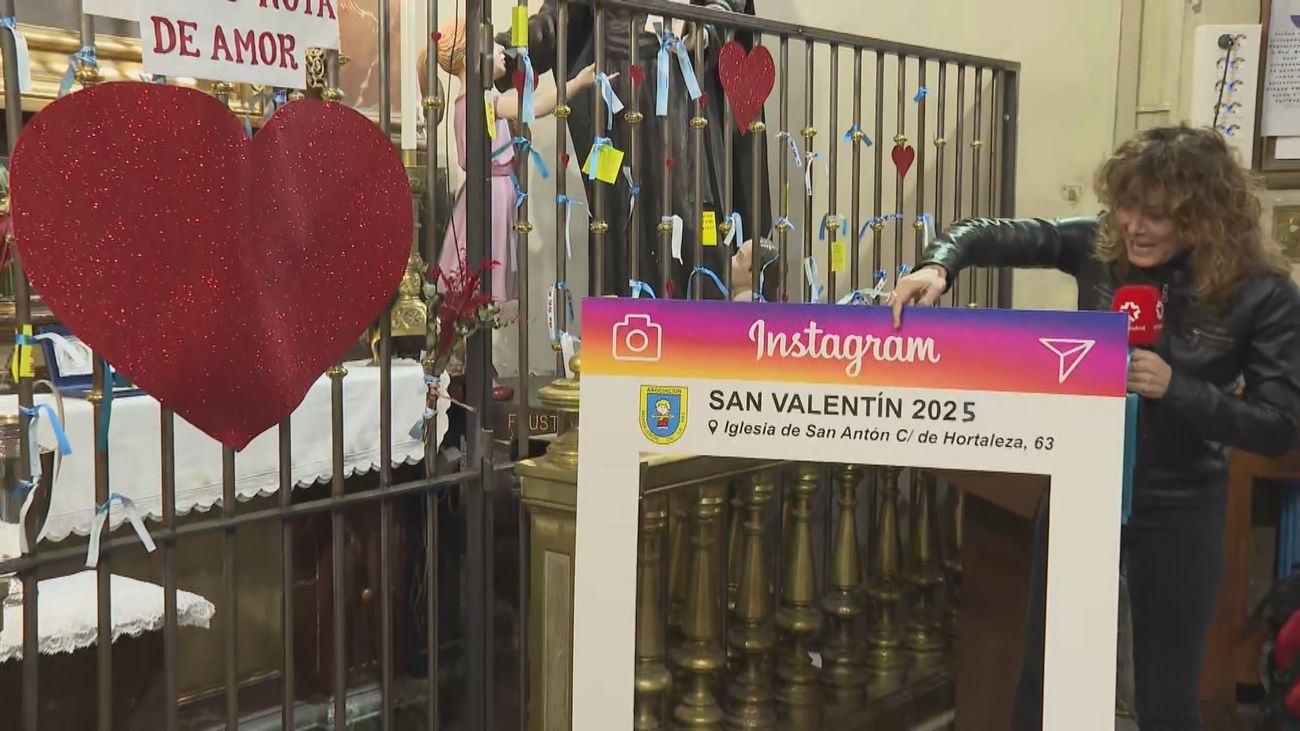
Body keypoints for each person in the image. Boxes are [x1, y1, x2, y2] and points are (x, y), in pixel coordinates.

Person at [892, 124, 1300, 730]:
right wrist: (939, 265)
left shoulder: (1261, 293)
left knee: (1164, 699)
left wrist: (1179, 389)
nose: (1133, 225)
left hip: (1181, 508)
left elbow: (1279, 427)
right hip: (1082, 490)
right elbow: (985, 233)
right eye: (1126, 204)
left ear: (1205, 216)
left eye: (1156, 214)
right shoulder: (1099, 245)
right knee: (1044, 683)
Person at [498, 0, 772, 299]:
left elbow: (726, 5)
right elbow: (554, 18)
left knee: (689, 214)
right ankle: (627, 331)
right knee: (622, 230)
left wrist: (706, 24)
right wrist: (506, 49)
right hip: (619, 99)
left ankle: (700, 334)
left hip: (680, 88)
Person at [418, 20, 603, 400]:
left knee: (477, 288)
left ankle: (470, 367)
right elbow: (536, 106)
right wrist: (578, 83)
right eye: (495, 47)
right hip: (490, 198)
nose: (504, 52)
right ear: (475, 57)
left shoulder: (470, 101)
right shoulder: (485, 101)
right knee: (482, 285)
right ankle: (472, 370)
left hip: (491, 195)